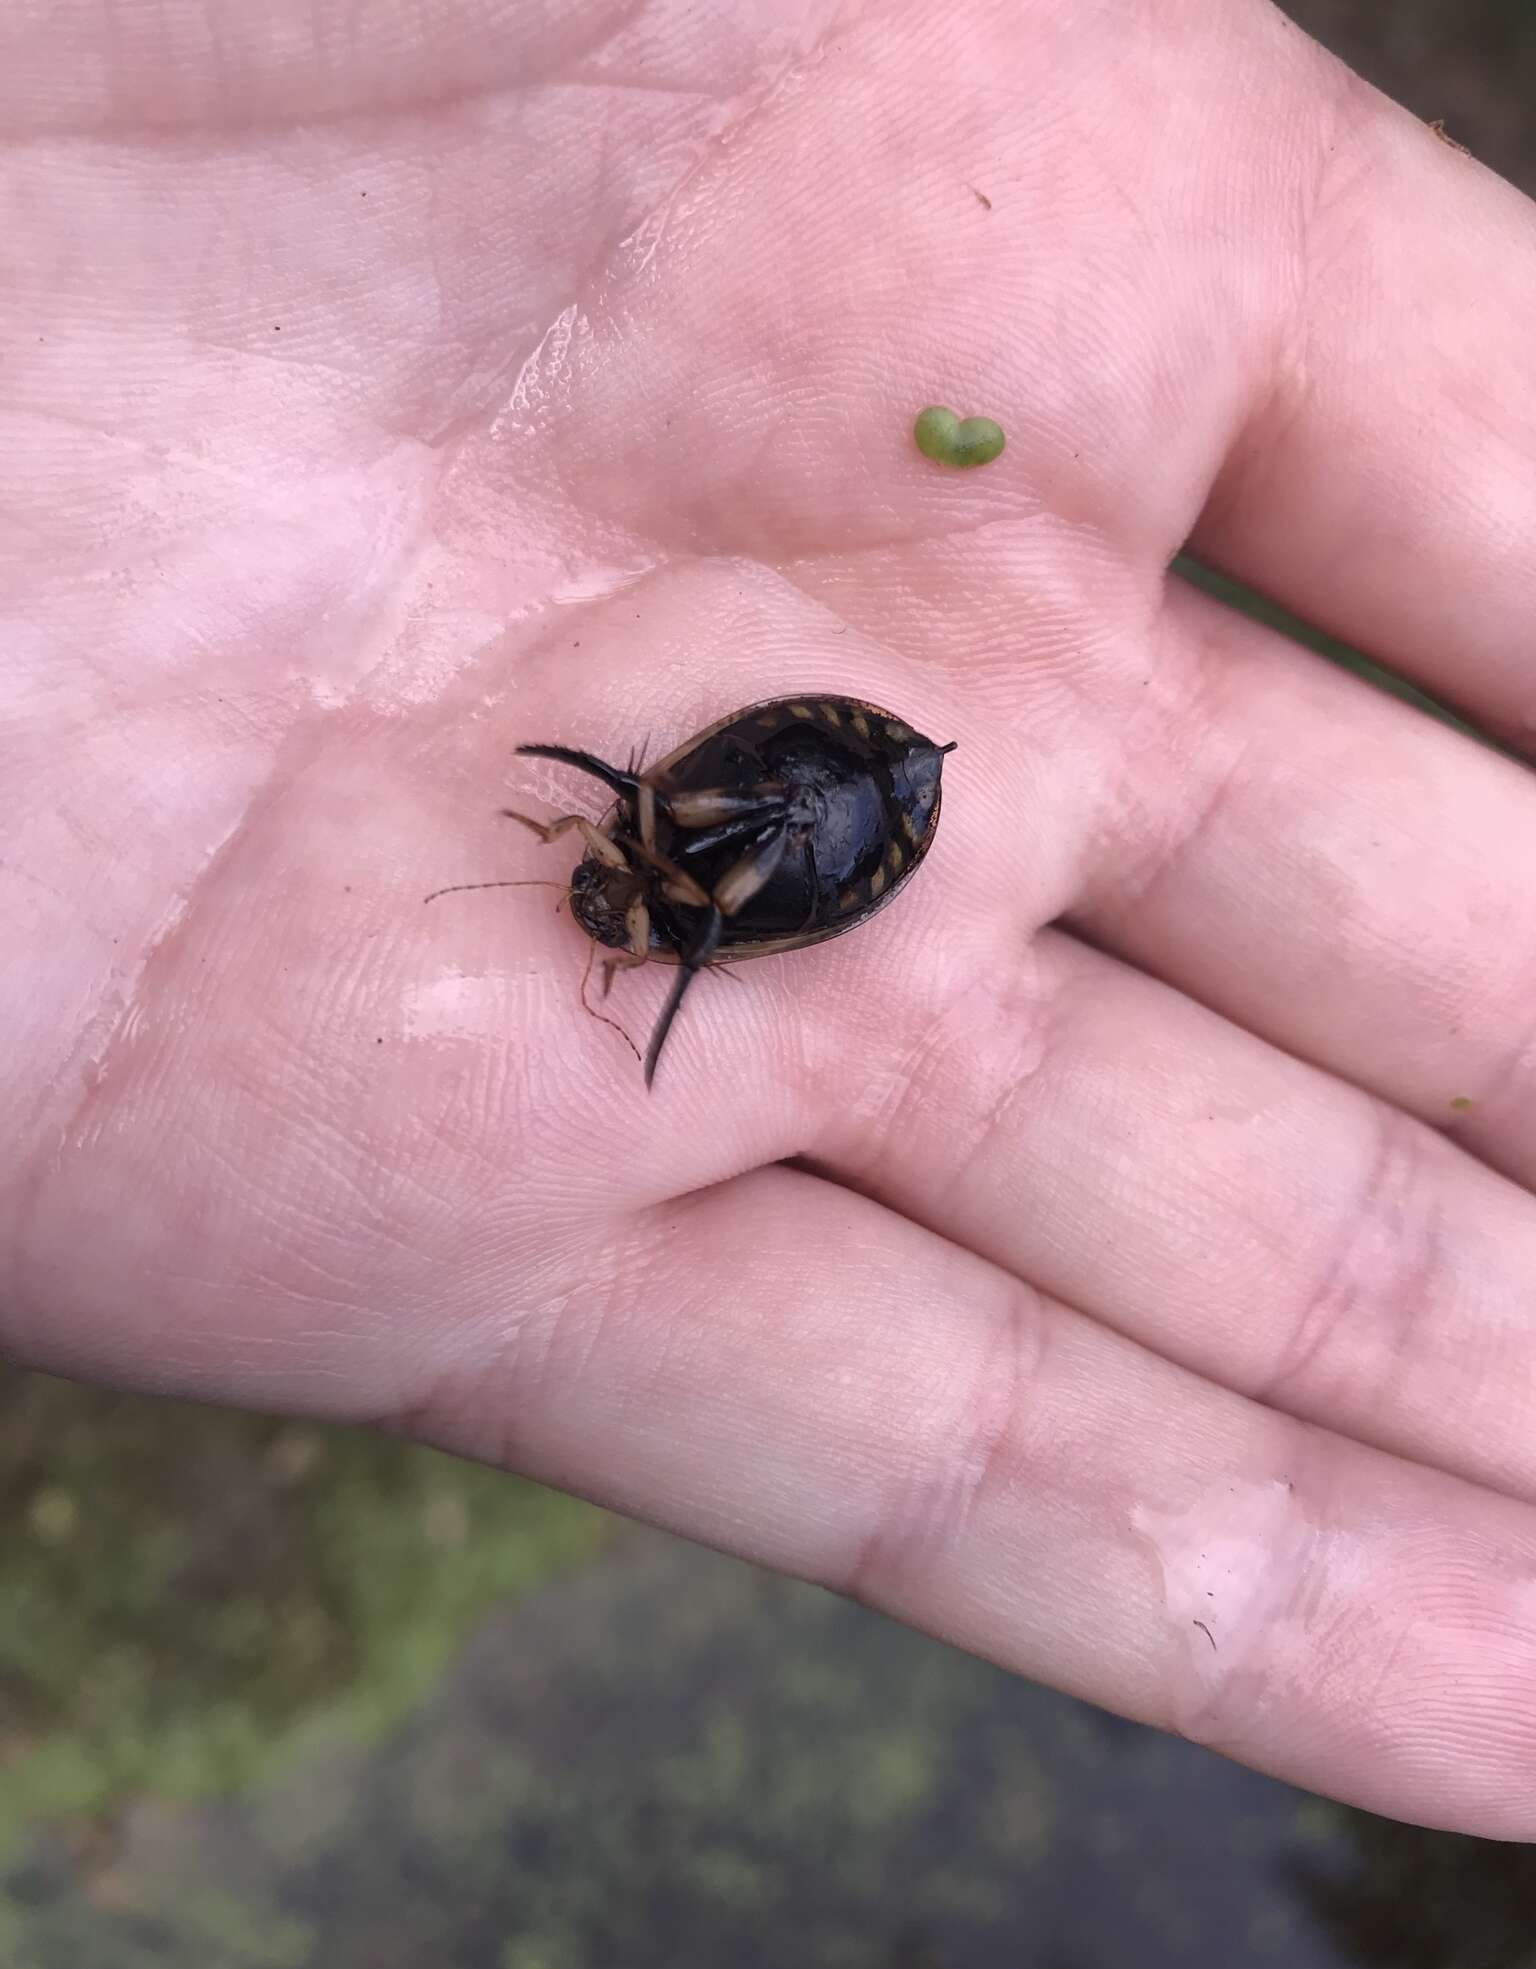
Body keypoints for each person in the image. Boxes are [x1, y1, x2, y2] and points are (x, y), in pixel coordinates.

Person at [5, 0, 1534, 1841]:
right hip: (842, 796)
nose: (605, 899)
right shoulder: (663, 851)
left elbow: (683, 829)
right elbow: (670, 821)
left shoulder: (671, 859)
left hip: (845, 790)